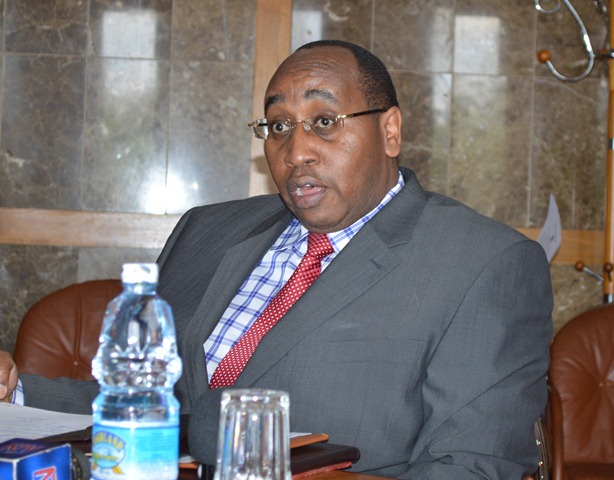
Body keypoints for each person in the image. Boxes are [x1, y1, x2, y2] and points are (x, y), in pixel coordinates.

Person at [0, 40, 552, 479]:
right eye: (279, 126)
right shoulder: (207, 231)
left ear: (390, 131)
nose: (296, 151)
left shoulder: (484, 264)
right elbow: (155, 402)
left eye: (325, 121)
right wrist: (15, 391)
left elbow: (472, 466)